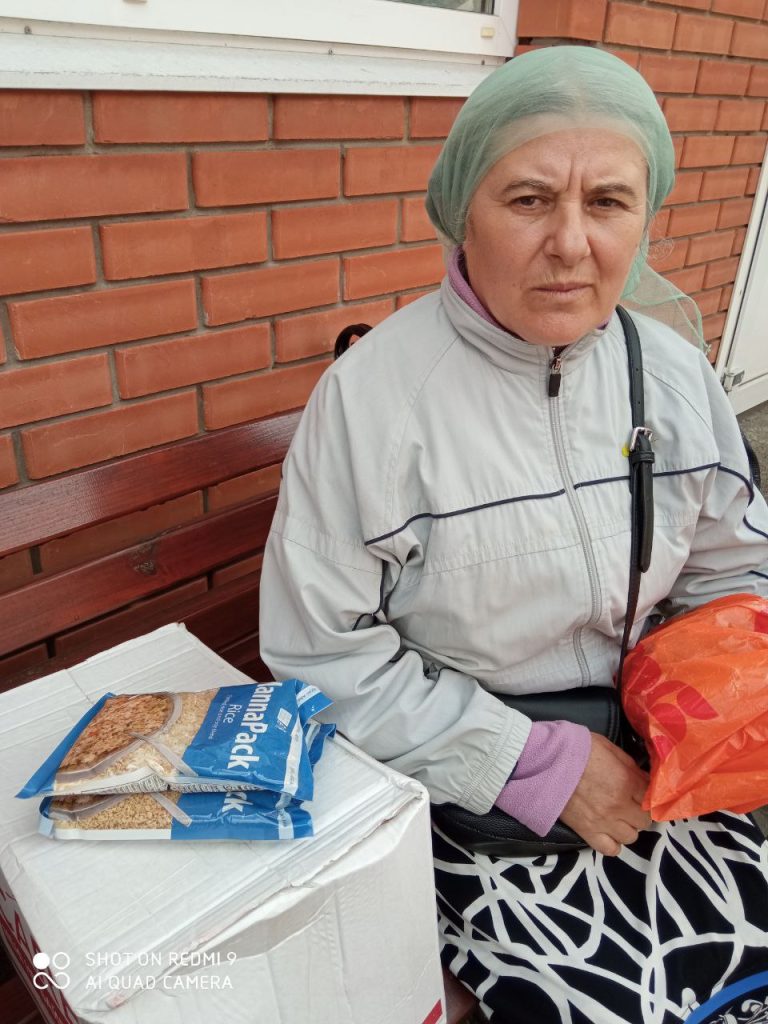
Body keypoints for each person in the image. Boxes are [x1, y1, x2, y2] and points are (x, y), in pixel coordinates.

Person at [259, 46, 768, 1024]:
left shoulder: (672, 374)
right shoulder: (371, 405)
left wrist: (714, 713)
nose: (571, 243)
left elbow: (733, 569)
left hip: (667, 765)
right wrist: (539, 765)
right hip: (468, 784)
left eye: (608, 202)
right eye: (529, 199)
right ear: (464, 211)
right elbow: (323, 653)